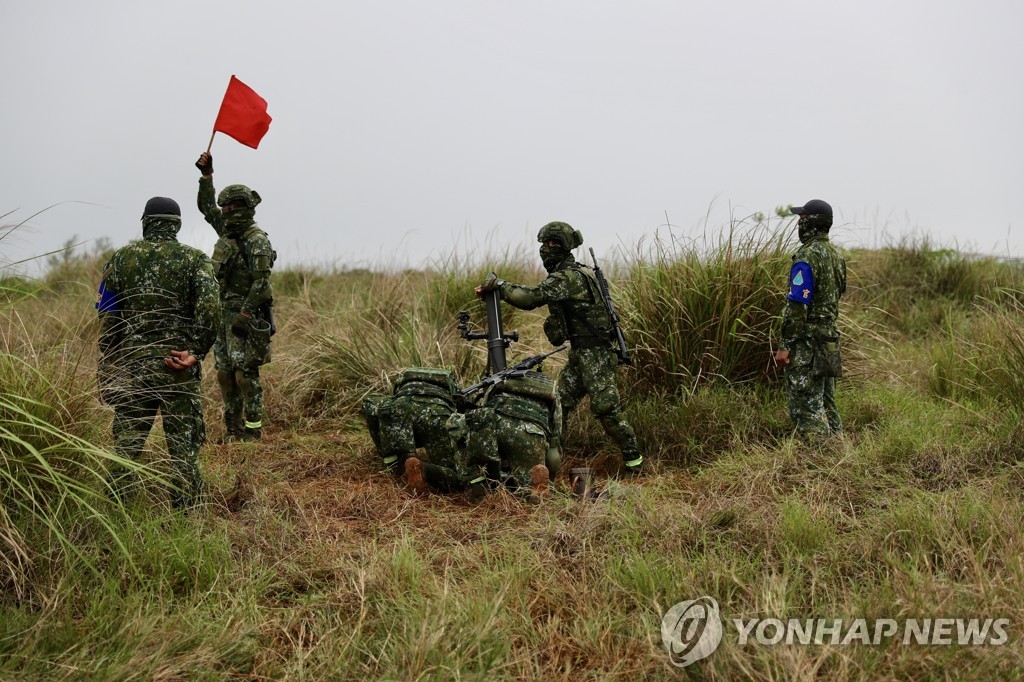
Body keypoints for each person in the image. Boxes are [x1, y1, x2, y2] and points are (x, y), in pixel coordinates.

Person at [476, 221, 642, 476]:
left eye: (553, 244)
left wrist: (499, 286)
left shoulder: (569, 277)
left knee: (607, 410)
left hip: (596, 354)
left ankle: (635, 463)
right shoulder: (576, 273)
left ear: (566, 247)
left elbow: (530, 298)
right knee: (559, 406)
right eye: (544, 244)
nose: (547, 249)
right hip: (581, 353)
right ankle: (547, 464)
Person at [96, 197, 220, 509]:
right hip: (177, 368)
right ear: (176, 225)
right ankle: (187, 515)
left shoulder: (120, 260)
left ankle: (116, 512)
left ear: (145, 222)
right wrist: (195, 351)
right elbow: (210, 308)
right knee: (183, 448)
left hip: (133, 370)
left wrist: (110, 363)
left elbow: (108, 320)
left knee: (126, 447)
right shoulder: (194, 260)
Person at [195, 151, 276, 442]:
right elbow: (206, 208)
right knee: (224, 375)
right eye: (224, 207)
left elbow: (261, 284)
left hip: (246, 317)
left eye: (231, 207)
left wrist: (244, 315)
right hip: (222, 316)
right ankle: (232, 429)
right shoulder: (225, 231)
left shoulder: (257, 241)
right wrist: (207, 177)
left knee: (245, 376)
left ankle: (253, 432)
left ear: (244, 207)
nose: (226, 211)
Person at [773, 199, 847, 439]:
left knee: (806, 405)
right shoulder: (837, 257)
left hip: (807, 342)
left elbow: (796, 306)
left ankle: (819, 460)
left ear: (811, 223)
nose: (799, 223)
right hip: (829, 339)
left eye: (802, 218)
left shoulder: (806, 257)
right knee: (827, 400)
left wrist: (786, 345)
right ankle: (839, 450)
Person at [451, 370, 561, 502]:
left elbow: (484, 407)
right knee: (527, 488)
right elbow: (556, 433)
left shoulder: (499, 380)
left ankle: (480, 483)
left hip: (495, 425)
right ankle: (532, 488)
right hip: (530, 433)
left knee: (482, 462)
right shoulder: (552, 389)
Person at [361, 367, 469, 492]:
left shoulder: (401, 384)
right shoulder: (452, 384)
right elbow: (463, 412)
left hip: (401, 407)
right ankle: (424, 469)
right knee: (457, 476)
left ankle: (400, 462)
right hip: (437, 413)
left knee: (397, 454)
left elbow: (369, 404)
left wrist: (382, 443)